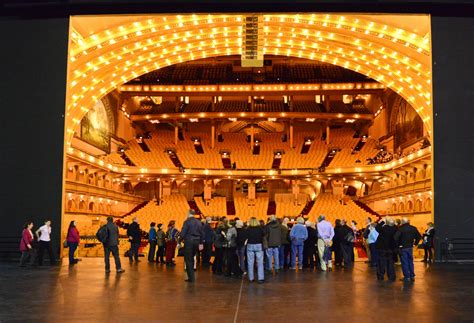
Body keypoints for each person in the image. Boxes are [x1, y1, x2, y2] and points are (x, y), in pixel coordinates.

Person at [180, 209, 204, 282]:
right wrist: (201, 243)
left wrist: (179, 241)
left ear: (188, 213)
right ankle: (192, 276)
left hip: (189, 242)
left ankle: (191, 278)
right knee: (192, 258)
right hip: (197, 242)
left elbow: (183, 234)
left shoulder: (187, 222)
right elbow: (202, 234)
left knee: (188, 259)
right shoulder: (199, 222)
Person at [394, 218, 421, 282]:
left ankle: (407, 276)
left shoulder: (400, 229)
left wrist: (398, 245)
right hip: (410, 247)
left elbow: (395, 238)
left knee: (404, 262)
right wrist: (415, 243)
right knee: (410, 262)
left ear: (402, 222)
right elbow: (419, 236)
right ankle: (412, 276)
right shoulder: (413, 228)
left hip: (403, 247)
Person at [375, 217, 398, 281]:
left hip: (382, 249)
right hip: (391, 249)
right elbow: (395, 226)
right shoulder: (395, 229)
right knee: (390, 263)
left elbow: (376, 228)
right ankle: (391, 277)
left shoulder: (383, 228)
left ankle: (380, 276)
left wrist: (383, 221)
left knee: (381, 263)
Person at [245, 217, 265, 283]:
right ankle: (260, 278)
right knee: (260, 263)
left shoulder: (248, 229)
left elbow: (246, 237)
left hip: (250, 245)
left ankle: (251, 278)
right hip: (259, 245)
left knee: (250, 262)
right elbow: (263, 235)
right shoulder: (260, 229)